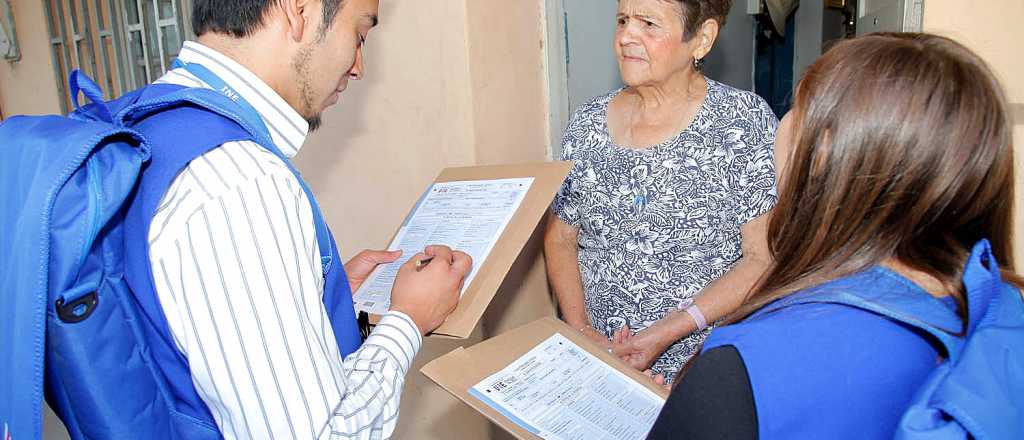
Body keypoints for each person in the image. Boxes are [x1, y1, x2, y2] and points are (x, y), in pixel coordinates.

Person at [647, 33, 1021, 439]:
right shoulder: (995, 309)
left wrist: (698, 412)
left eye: (796, 108)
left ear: (823, 154)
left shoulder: (747, 367)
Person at [146, 0, 470, 438]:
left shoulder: (162, 120)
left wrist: (317, 295)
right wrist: (408, 319)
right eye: (359, 35)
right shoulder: (242, 184)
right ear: (298, 10)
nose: (358, 67)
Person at [544, 0, 778, 381]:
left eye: (648, 24)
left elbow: (761, 258)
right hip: (594, 362)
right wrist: (582, 330)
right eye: (623, 20)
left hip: (696, 367)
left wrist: (667, 331)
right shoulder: (587, 124)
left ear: (702, 39)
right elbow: (560, 239)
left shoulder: (743, 124)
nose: (626, 36)